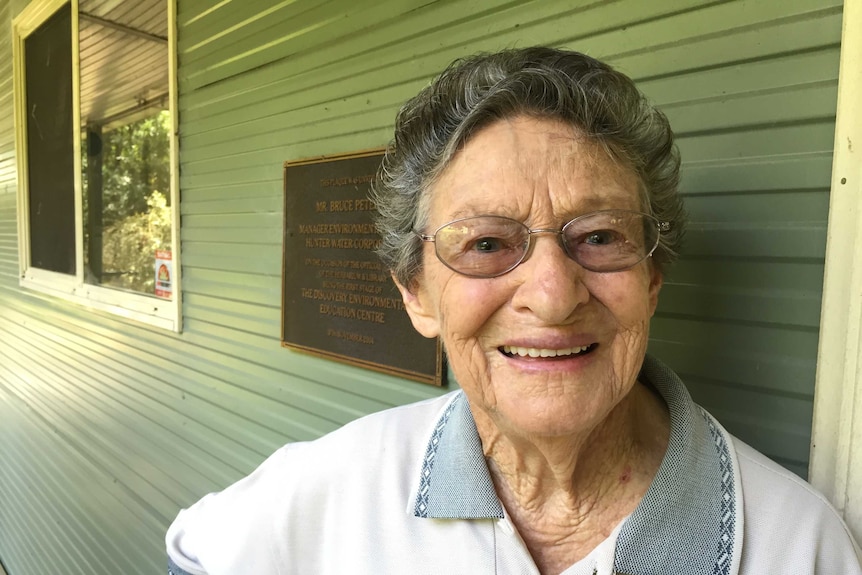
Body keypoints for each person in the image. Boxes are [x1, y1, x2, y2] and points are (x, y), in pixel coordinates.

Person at [165, 47, 862, 575]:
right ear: (415, 292)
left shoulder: (798, 544)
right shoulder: (328, 488)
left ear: (652, 278)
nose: (554, 295)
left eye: (598, 236)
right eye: (488, 243)